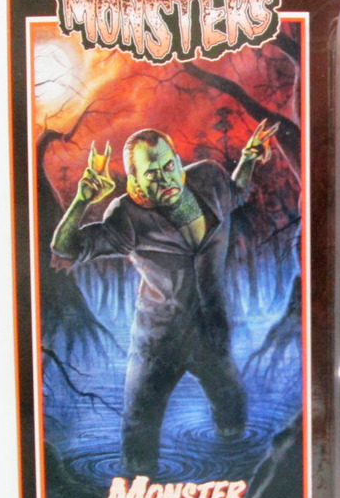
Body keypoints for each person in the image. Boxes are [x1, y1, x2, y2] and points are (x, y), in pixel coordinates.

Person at [51, 120, 278, 475]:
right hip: (158, 341)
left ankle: (240, 473)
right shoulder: (127, 216)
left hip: (210, 329)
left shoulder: (209, 178)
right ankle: (138, 488)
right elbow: (67, 248)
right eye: (152, 175)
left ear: (178, 161)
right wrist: (82, 200)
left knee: (233, 409)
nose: (165, 178)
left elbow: (236, 193)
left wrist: (248, 159)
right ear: (136, 183)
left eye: (169, 166)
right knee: (140, 429)